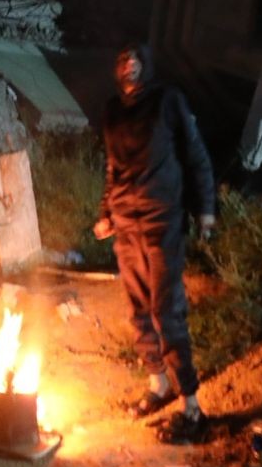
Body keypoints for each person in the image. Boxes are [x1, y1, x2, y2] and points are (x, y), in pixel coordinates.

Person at [92, 43, 217, 437]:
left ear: (146, 65)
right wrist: (106, 212)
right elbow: (113, 167)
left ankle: (191, 405)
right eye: (122, 60)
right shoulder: (113, 111)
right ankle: (158, 385)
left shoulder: (167, 100)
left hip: (163, 219)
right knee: (139, 308)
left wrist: (206, 209)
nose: (129, 65)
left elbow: (195, 154)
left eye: (136, 59)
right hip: (126, 222)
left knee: (166, 308)